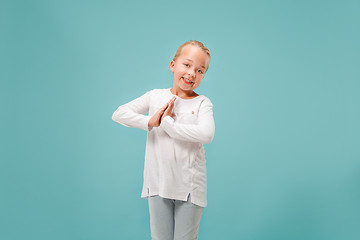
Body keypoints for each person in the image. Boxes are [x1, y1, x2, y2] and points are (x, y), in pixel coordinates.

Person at [112, 40, 215, 240]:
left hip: (190, 189)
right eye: (187, 65)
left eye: (200, 70)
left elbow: (206, 134)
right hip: (158, 184)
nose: (192, 73)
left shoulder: (202, 103)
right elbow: (119, 113)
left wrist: (168, 124)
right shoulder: (155, 97)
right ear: (172, 65)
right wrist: (150, 122)